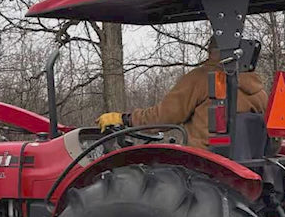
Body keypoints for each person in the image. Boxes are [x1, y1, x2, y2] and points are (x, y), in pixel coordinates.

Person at [97, 39, 266, 147]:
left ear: (215, 52)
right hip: (249, 164)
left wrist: (125, 119)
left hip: (205, 164)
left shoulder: (202, 78)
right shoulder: (259, 90)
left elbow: (163, 118)